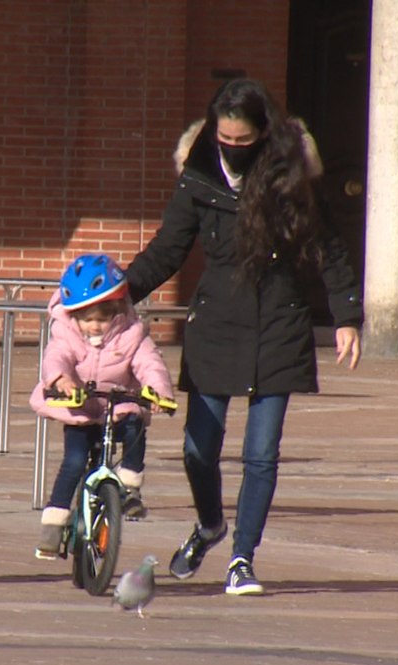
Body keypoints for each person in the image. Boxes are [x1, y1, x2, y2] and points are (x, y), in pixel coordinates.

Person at [124, 78, 363, 596]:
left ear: (263, 133)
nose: (233, 149)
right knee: (198, 451)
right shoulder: (199, 176)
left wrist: (346, 315)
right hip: (216, 323)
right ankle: (210, 525)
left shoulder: (290, 177)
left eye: (243, 140)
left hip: (280, 322)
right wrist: (118, 292)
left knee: (261, 454)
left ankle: (242, 559)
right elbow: (167, 249)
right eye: (225, 139)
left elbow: (329, 247)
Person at [28, 253, 176, 559]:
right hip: (81, 408)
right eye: (86, 319)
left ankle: (129, 485)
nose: (94, 326)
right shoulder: (67, 333)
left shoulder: (131, 334)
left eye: (102, 319)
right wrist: (61, 380)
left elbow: (150, 363)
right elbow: (56, 357)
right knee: (74, 461)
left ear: (118, 311)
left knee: (134, 425)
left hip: (118, 404)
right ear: (74, 316)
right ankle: (53, 525)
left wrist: (157, 391)